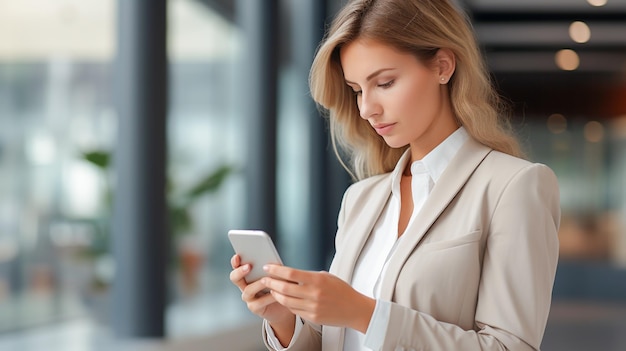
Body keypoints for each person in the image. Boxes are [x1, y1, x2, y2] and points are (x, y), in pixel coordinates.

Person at [230, 0, 560, 350]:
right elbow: (340, 341)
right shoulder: (361, 200)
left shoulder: (513, 187)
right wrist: (283, 318)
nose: (366, 108)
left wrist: (365, 314)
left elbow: (511, 346)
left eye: (384, 83)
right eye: (357, 90)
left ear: (443, 66)